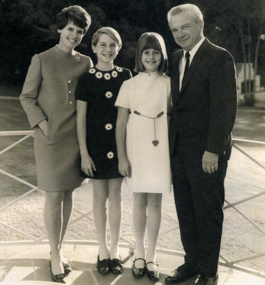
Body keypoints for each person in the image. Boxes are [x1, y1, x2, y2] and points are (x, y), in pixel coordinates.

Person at [165, 4, 237, 285]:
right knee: (185, 210)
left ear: (199, 25)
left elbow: (225, 108)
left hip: (207, 154)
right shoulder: (174, 59)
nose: (180, 34)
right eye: (174, 29)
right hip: (178, 151)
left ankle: (208, 272)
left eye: (185, 27)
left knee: (207, 212)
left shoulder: (219, 57)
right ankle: (191, 263)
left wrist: (213, 150)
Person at [20, 6, 92, 283]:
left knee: (68, 194)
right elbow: (26, 97)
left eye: (80, 31)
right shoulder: (41, 59)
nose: (74, 35)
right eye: (70, 29)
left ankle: (58, 249)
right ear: (60, 28)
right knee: (53, 195)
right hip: (49, 139)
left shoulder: (85, 62)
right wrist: (43, 125)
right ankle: (54, 252)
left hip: (75, 139)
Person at [115, 32, 171, 281]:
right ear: (139, 55)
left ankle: (152, 255)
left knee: (156, 203)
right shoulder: (129, 84)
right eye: (146, 52)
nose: (151, 56)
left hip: (160, 148)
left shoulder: (169, 83)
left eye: (155, 52)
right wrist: (122, 157)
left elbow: (173, 116)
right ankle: (138, 251)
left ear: (162, 55)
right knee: (138, 200)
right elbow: (120, 124)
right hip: (135, 147)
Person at [75, 27, 132, 275]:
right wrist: (85, 154)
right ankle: (102, 250)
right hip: (96, 146)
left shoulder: (126, 76)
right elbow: (80, 120)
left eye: (113, 45)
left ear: (118, 48)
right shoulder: (86, 78)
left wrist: (124, 155)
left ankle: (116, 249)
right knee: (99, 198)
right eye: (103, 45)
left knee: (116, 196)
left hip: (119, 145)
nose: (108, 50)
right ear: (94, 48)